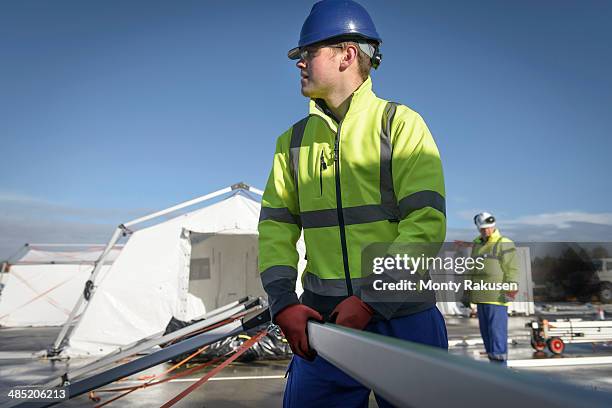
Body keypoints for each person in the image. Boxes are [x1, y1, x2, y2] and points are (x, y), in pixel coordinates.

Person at [258, 1, 447, 406]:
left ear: (346, 55)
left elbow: (425, 223)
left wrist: (370, 299)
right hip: (323, 327)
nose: (299, 63)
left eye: (307, 52)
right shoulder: (291, 143)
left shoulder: (400, 125)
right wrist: (283, 302)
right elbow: (275, 228)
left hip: (404, 319)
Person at [466, 212, 519, 365]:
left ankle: (501, 372)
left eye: (489, 228)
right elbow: (472, 269)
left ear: (494, 226)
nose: (486, 231)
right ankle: (494, 370)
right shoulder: (477, 244)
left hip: (497, 298)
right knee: (487, 336)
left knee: (497, 337)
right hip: (481, 298)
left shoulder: (504, 243)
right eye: (483, 229)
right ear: (478, 228)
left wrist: (511, 289)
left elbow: (512, 269)